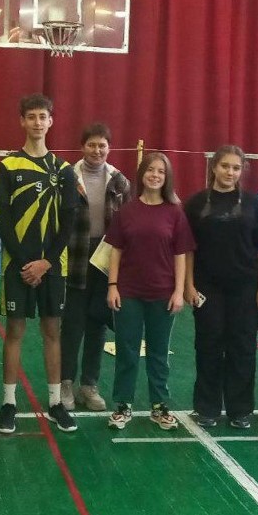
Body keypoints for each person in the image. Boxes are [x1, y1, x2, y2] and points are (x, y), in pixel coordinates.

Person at [0, 94, 79, 434]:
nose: (37, 122)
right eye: (31, 116)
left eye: (43, 116)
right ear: (22, 121)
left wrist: (46, 262)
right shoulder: (8, 166)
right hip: (16, 265)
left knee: (52, 331)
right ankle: (8, 403)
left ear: (51, 121)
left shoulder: (64, 170)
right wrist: (23, 262)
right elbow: (2, 220)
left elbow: (69, 221)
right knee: (14, 331)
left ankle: (56, 402)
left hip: (52, 266)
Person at [184, 145, 258, 430]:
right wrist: (188, 285)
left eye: (236, 168)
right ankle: (207, 408)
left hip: (244, 288)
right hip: (207, 289)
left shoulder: (253, 204)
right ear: (214, 167)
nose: (230, 172)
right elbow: (187, 250)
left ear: (241, 171)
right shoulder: (196, 204)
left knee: (243, 347)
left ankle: (240, 410)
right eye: (225, 166)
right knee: (208, 345)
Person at [105, 152, 194, 431]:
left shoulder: (175, 213)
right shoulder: (126, 211)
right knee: (127, 350)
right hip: (129, 293)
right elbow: (116, 251)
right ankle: (123, 405)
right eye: (151, 170)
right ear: (142, 174)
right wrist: (112, 286)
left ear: (167, 178)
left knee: (158, 352)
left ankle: (159, 406)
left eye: (161, 172)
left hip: (163, 294)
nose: (155, 175)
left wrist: (178, 291)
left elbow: (181, 254)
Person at [61, 123, 131, 412]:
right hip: (75, 257)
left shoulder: (120, 182)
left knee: (98, 322)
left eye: (102, 145)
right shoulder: (67, 177)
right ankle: (65, 383)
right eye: (91, 144)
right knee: (72, 323)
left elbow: (128, 225)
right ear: (82, 147)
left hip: (106, 261)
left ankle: (89, 385)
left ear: (109, 148)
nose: (97, 150)